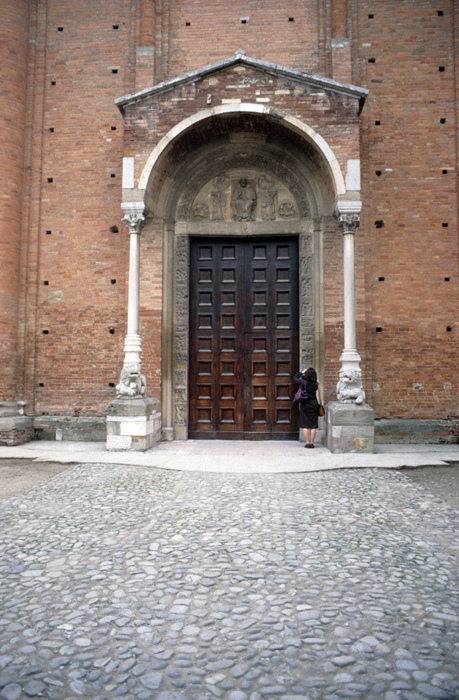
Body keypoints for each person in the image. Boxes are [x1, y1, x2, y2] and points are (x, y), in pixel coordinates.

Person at [293, 367, 320, 448]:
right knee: (313, 425)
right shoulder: (316, 383)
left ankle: (307, 443)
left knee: (305, 425)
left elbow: (295, 378)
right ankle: (312, 443)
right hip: (314, 404)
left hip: (305, 404)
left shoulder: (302, 382)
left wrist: (302, 372)